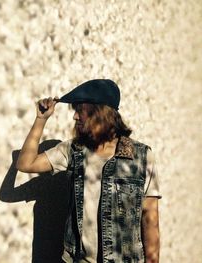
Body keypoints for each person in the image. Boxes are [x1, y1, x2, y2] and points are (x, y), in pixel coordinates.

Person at [16, 79, 162, 263]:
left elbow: (150, 217)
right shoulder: (73, 150)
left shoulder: (141, 156)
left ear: (99, 113)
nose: (75, 117)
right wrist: (40, 120)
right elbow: (26, 164)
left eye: (80, 110)